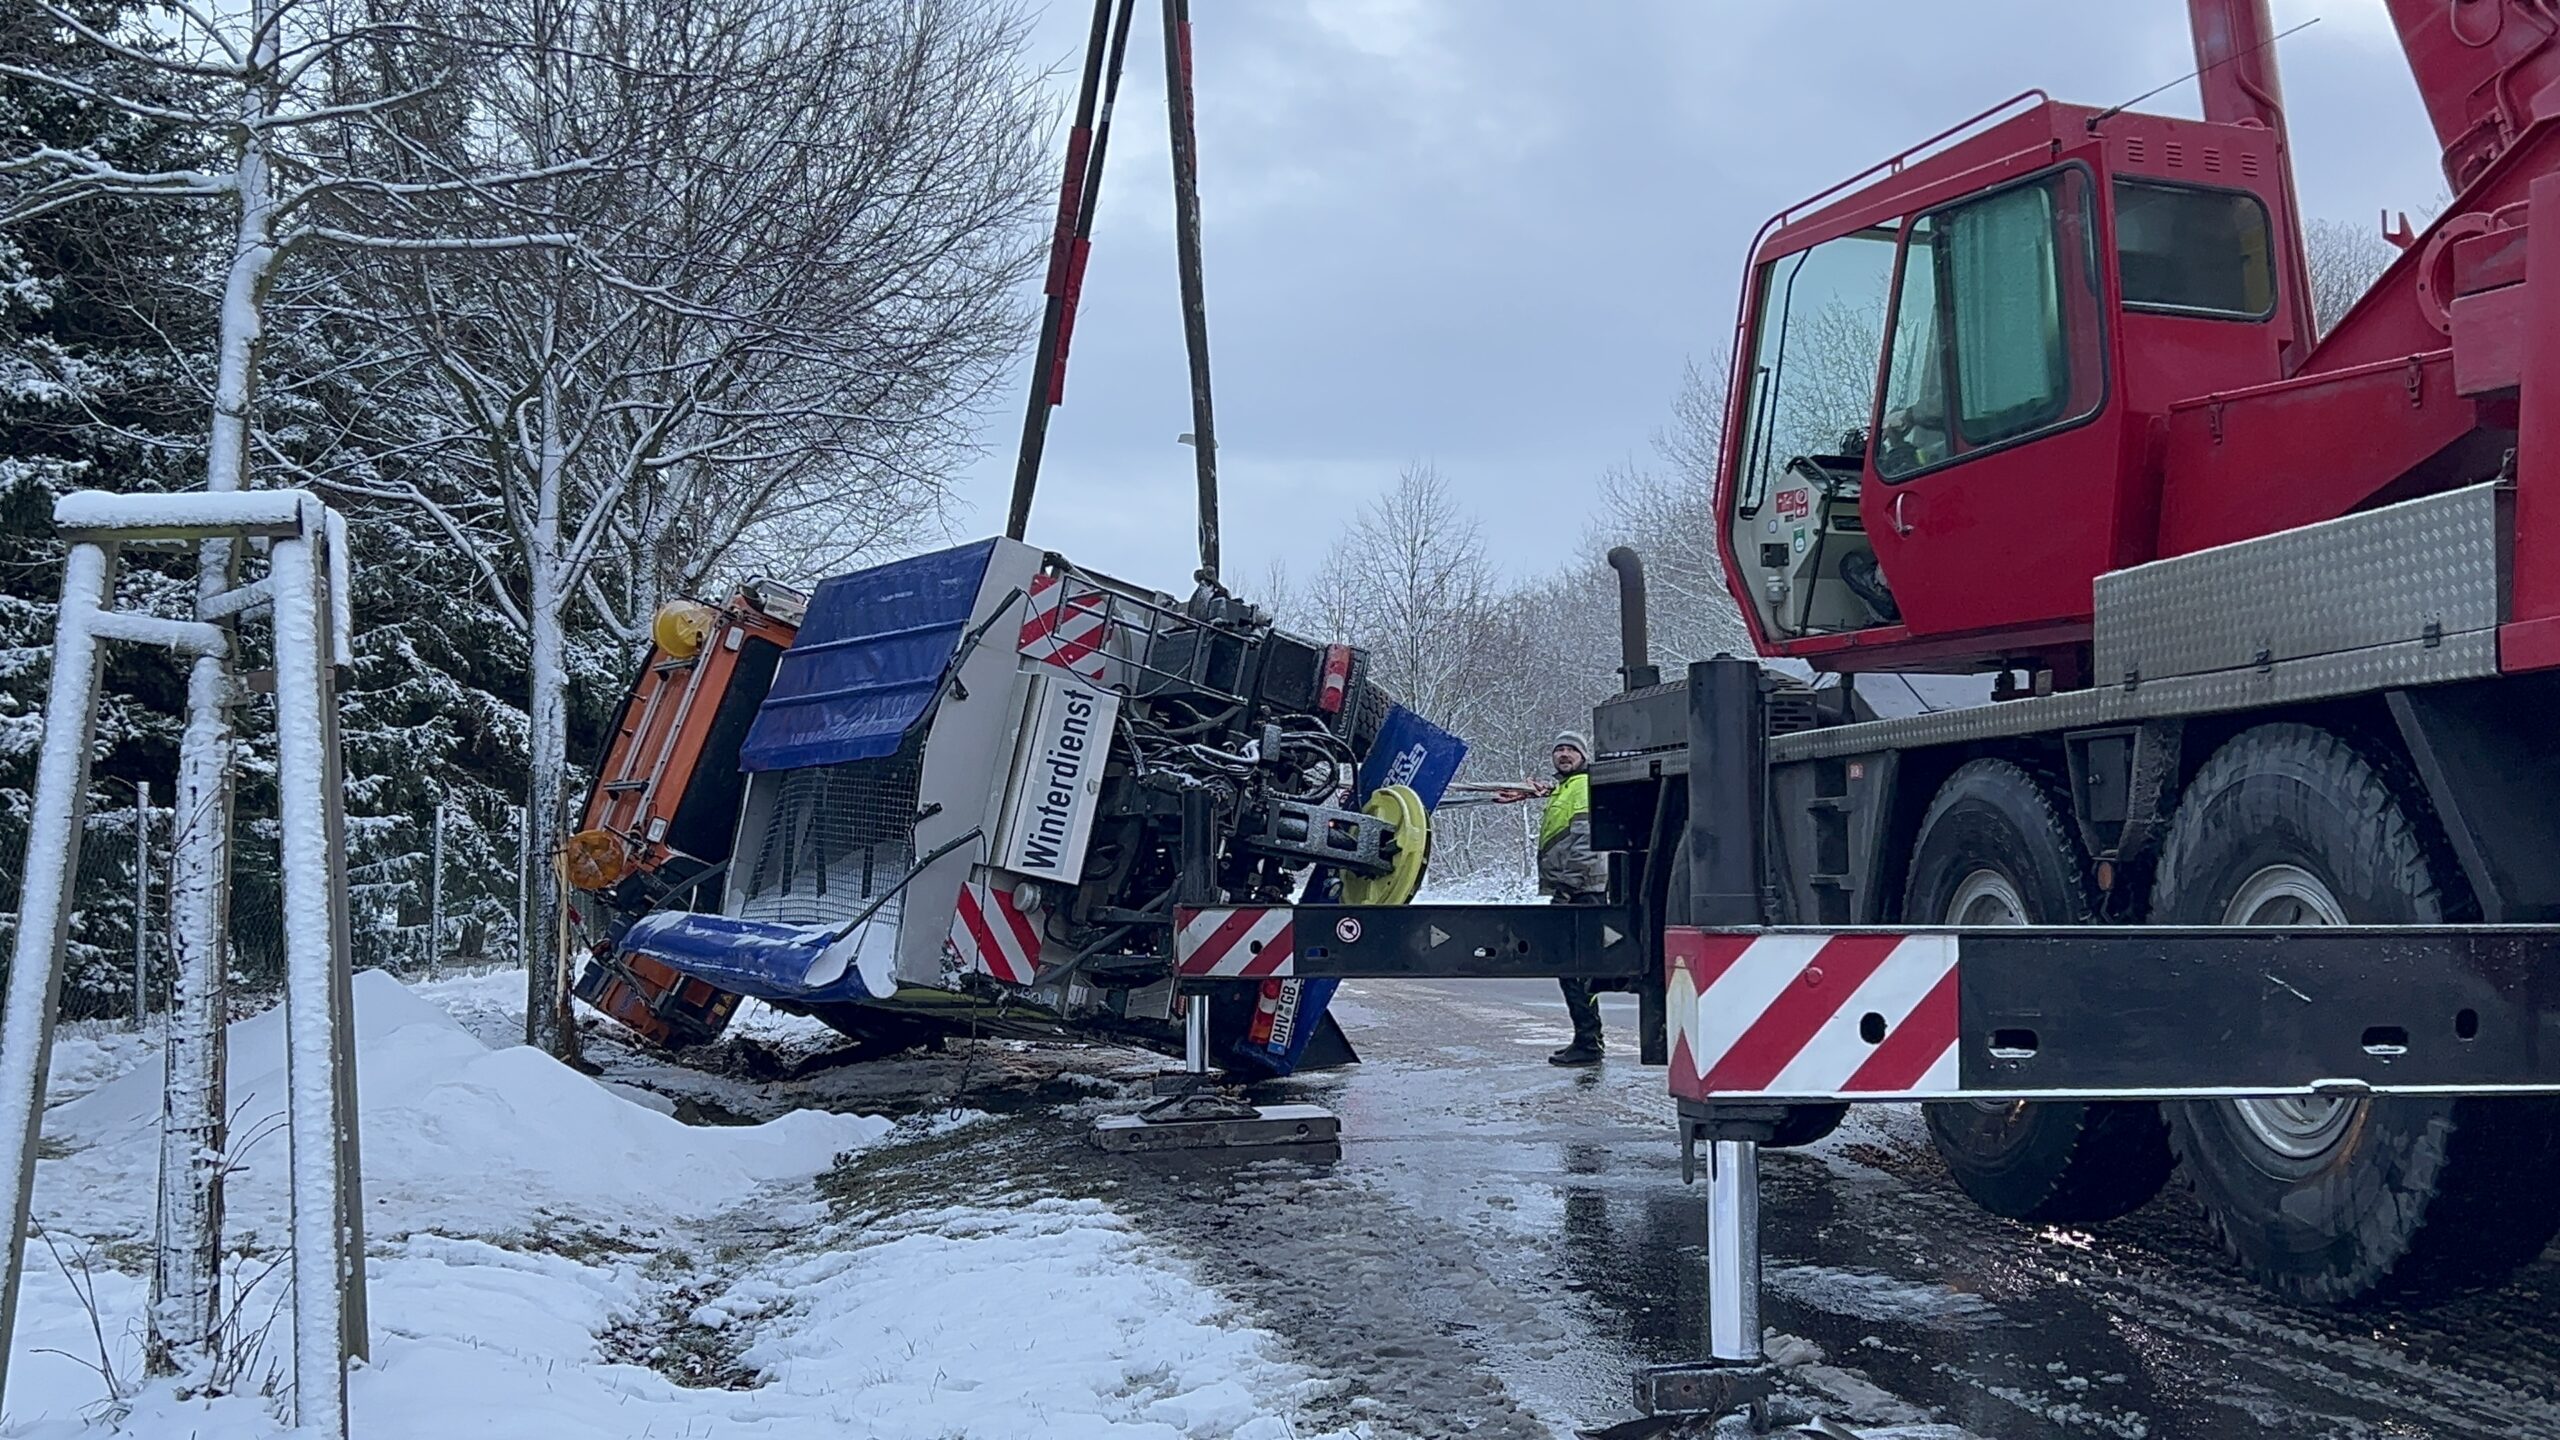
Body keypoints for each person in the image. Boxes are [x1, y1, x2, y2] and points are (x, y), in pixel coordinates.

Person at [1498, 731, 1610, 1065]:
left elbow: (1587, 840)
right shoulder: (1565, 788)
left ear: (1583, 755)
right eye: (1558, 749)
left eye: (1570, 749)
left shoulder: (1583, 787)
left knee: (1576, 969)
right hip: (1572, 889)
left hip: (1581, 891)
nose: (1563, 754)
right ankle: (1587, 1038)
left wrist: (1570, 885)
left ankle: (1590, 1043)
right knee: (1570, 969)